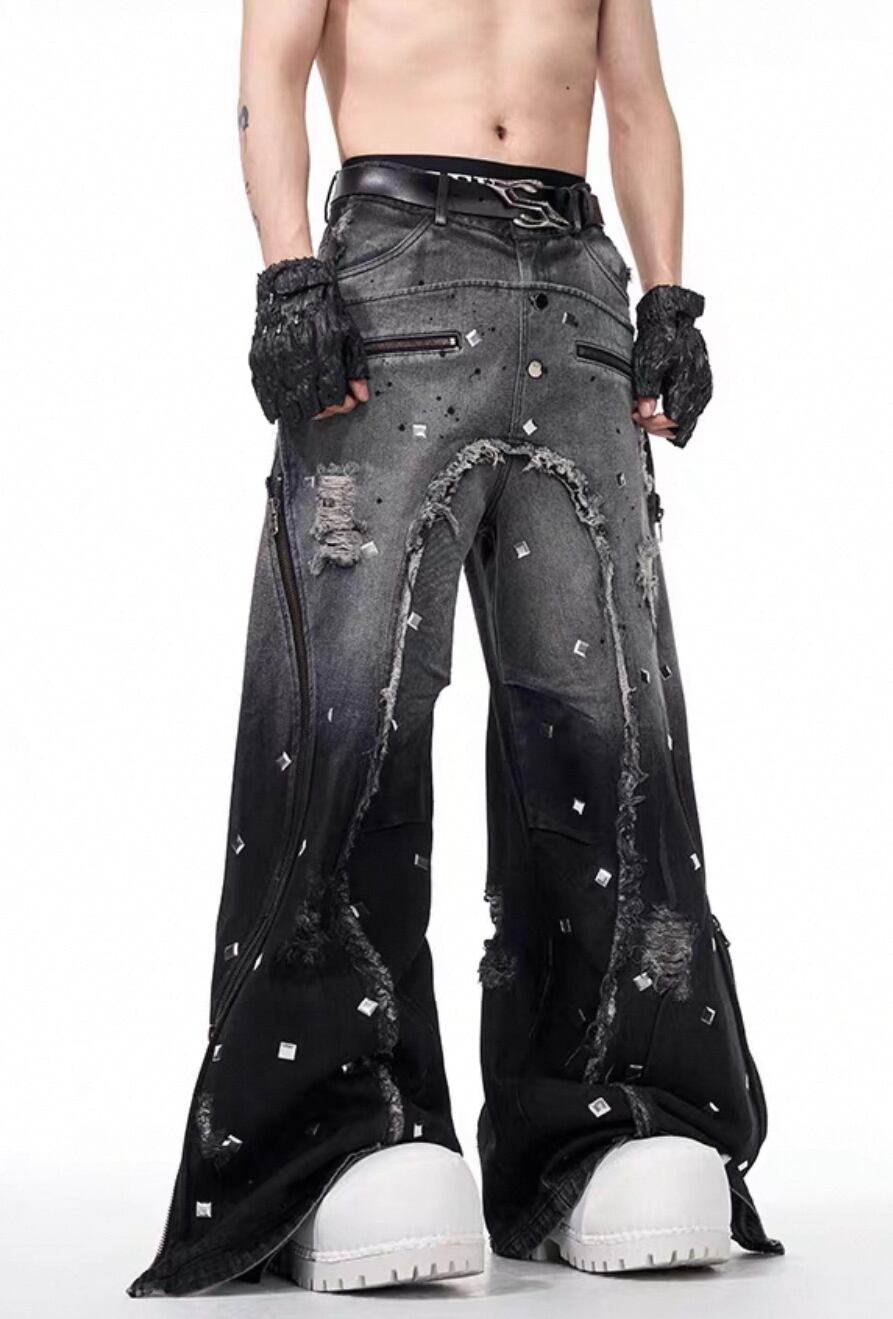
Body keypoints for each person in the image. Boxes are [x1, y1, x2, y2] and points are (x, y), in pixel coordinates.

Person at [127, 0, 782, 1298]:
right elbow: (269, 71)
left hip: (578, 296)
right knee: (353, 708)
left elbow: (636, 101)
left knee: (606, 714)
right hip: (390, 287)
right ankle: (341, 1129)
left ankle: (611, 1118)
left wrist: (668, 295)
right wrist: (287, 271)